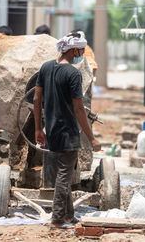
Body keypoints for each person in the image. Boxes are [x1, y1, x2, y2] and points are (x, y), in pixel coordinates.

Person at [34, 30, 101, 227]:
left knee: (62, 174)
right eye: (80, 51)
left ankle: (69, 216)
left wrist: (38, 129)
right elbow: (79, 109)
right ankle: (56, 219)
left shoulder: (45, 68)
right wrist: (92, 138)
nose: (81, 54)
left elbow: (37, 99)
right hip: (68, 133)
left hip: (52, 131)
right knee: (64, 177)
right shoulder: (73, 74)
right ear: (72, 50)